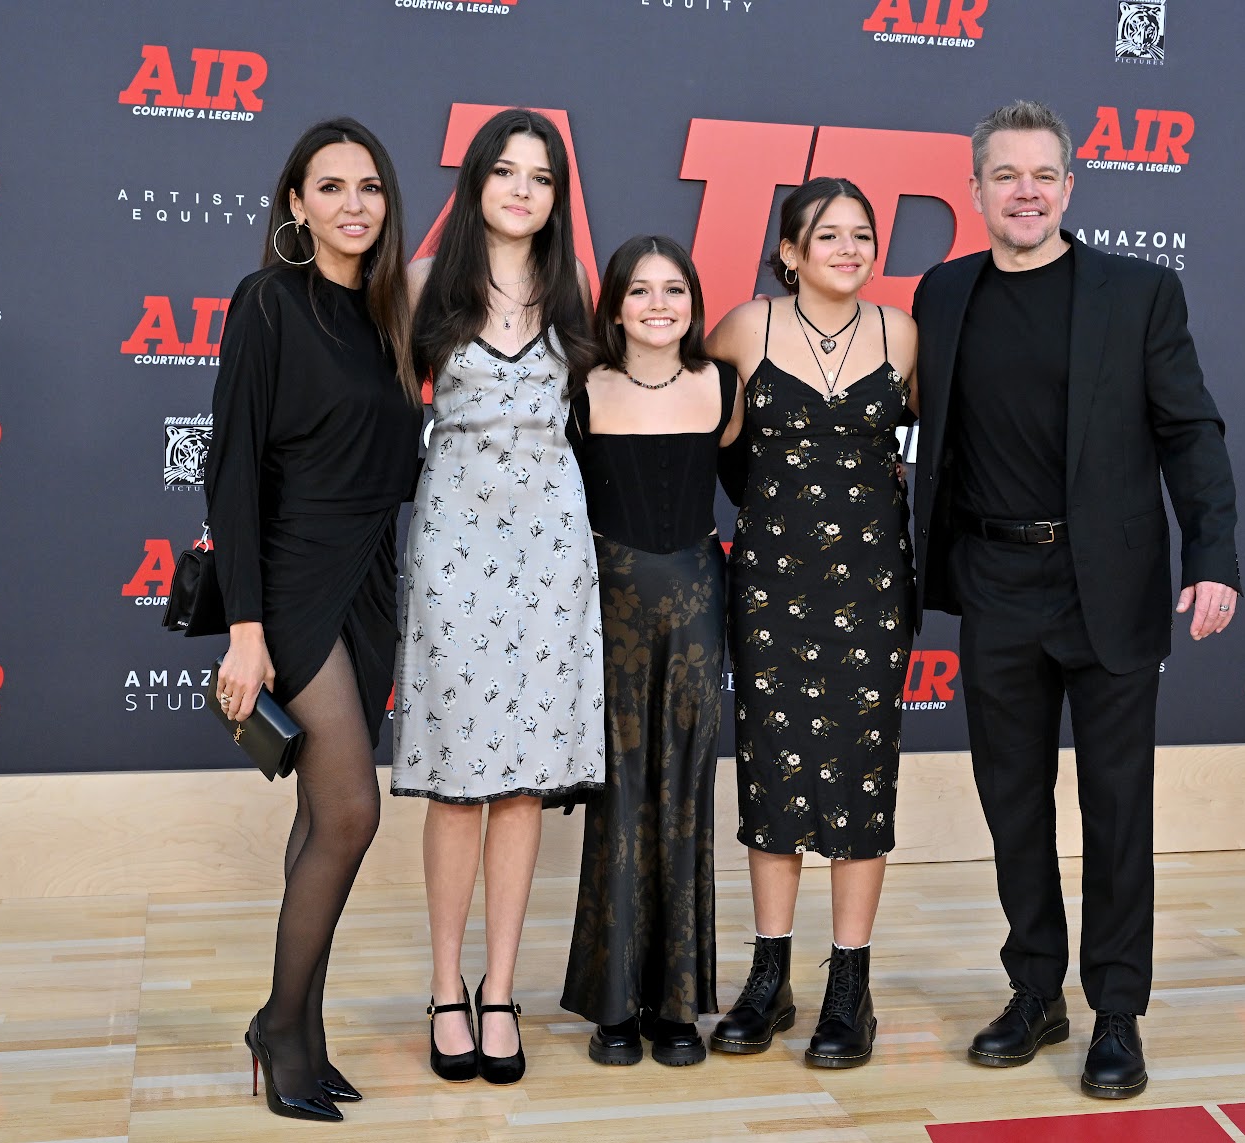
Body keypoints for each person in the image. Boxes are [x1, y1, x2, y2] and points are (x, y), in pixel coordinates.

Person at [910, 99, 1240, 1099]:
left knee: (1116, 810)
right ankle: (1035, 990)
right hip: (995, 583)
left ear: (1069, 187)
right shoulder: (941, 293)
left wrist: (1212, 556)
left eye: (1042, 175)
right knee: (1012, 805)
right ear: (974, 191)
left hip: (1109, 588)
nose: (1024, 193)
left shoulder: (1137, 293)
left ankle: (1118, 1015)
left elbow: (1190, 431)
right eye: (1004, 176)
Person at [205, 118, 422, 1121]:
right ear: (295, 204)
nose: (352, 205)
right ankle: (280, 1026)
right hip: (293, 581)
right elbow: (233, 470)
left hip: (372, 579)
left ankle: (304, 1025)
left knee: (316, 821)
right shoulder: (268, 304)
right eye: (329, 187)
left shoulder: (389, 319)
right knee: (348, 813)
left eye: (368, 187)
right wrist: (245, 630)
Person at [391, 107, 604, 1087]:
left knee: (523, 778)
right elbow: (376, 420)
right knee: (457, 780)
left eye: (542, 176)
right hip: (452, 545)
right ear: (475, 182)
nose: (522, 189)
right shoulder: (425, 287)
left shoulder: (573, 294)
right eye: (506, 171)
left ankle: (502, 988)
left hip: (553, 550)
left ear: (558, 198)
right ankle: (445, 988)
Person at [706, 178, 918, 1069]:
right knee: (774, 775)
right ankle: (769, 977)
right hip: (771, 586)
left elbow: (917, 453)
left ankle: (850, 986)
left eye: (861, 234)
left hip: (871, 591)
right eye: (825, 235)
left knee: (861, 780)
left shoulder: (901, 334)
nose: (847, 248)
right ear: (788, 252)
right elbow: (709, 449)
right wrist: (769, 519)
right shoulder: (741, 329)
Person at [559, 235, 744, 1067]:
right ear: (615, 306)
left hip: (701, 604)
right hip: (609, 605)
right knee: (620, 798)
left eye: (675, 289)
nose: (659, 304)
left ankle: (677, 1005)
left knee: (685, 798)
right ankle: (615, 1004)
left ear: (695, 304)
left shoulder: (723, 386)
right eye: (641, 290)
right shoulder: (581, 390)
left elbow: (754, 489)